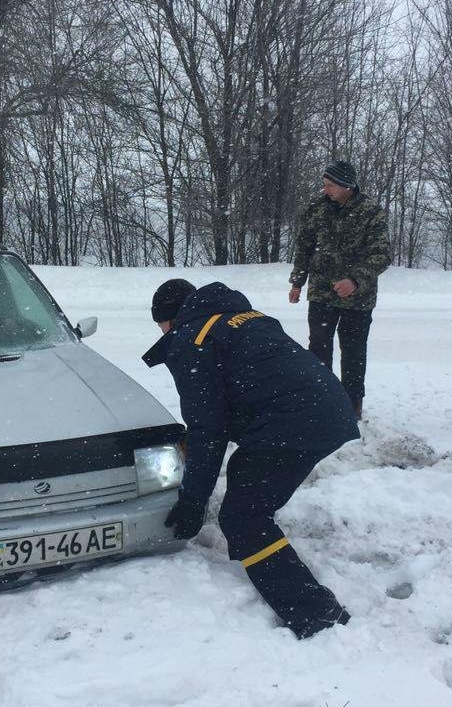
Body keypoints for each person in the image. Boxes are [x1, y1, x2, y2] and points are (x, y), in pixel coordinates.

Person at [143, 278, 360, 638]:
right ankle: (250, 554)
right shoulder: (240, 317)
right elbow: (245, 390)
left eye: (161, 324)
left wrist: (193, 502)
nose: (164, 331)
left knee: (243, 517)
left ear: (169, 318)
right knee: (245, 469)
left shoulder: (191, 340)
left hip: (295, 421)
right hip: (328, 409)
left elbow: (208, 433)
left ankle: (316, 615)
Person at [287, 160, 390, 419]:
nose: (326, 190)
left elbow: (382, 254)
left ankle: (352, 406)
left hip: (358, 298)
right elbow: (304, 247)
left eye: (330, 185)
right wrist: (298, 281)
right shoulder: (316, 209)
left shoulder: (370, 212)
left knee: (353, 351)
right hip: (322, 293)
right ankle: (321, 399)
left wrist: (354, 280)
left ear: (347, 185)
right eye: (324, 185)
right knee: (319, 347)